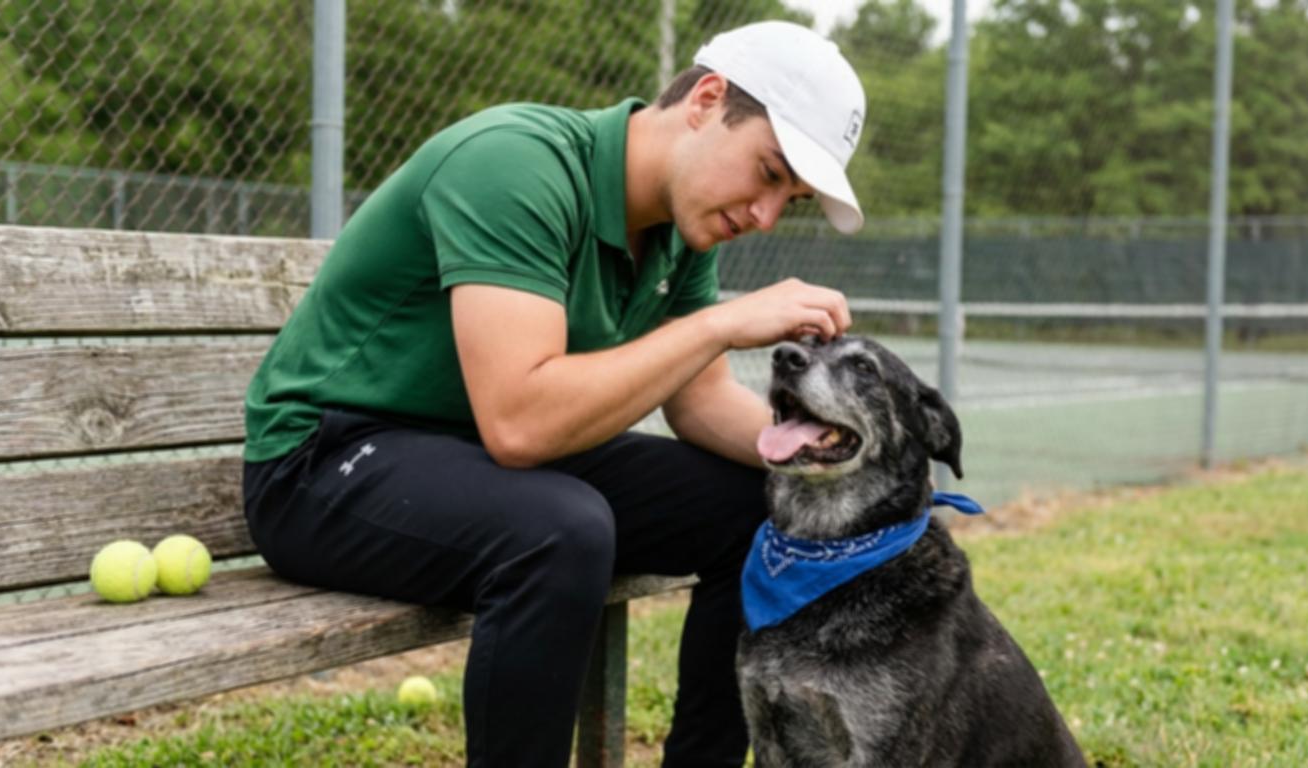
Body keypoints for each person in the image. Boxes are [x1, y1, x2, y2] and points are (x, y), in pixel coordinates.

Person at [241, 19, 866, 768]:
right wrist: (721, 325)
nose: (765, 217)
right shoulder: (516, 163)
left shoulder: (681, 226)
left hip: (474, 460)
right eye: (768, 172)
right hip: (324, 463)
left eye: (788, 199)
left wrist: (849, 461)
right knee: (559, 529)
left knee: (760, 506)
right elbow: (521, 425)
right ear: (705, 100)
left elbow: (698, 404)